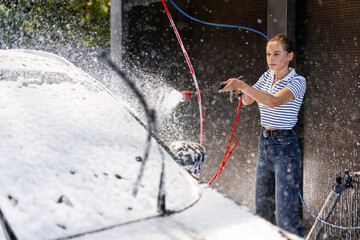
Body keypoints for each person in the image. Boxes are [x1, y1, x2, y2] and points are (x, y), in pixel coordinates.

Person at [221, 34, 306, 237]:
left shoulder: (297, 81)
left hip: (285, 147)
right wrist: (239, 89)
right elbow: (249, 100)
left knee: (286, 218)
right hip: (265, 145)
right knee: (262, 213)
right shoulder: (267, 76)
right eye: (268, 54)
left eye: (277, 54)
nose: (271, 59)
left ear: (290, 56)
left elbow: (274, 101)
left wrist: (242, 86)